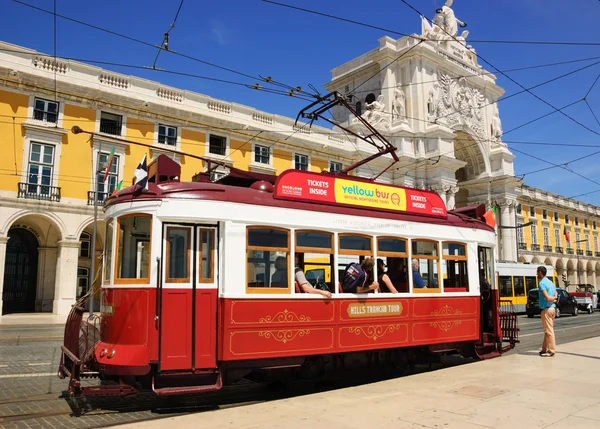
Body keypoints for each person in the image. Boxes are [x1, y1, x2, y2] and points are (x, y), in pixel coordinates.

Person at [537, 266, 558, 357]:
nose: (537, 274)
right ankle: (544, 349)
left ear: (541, 273)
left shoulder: (542, 283)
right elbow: (556, 293)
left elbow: (547, 297)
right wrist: (555, 298)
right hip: (553, 309)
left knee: (549, 331)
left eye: (537, 272)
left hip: (546, 309)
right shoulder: (551, 282)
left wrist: (552, 299)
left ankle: (551, 350)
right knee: (547, 330)